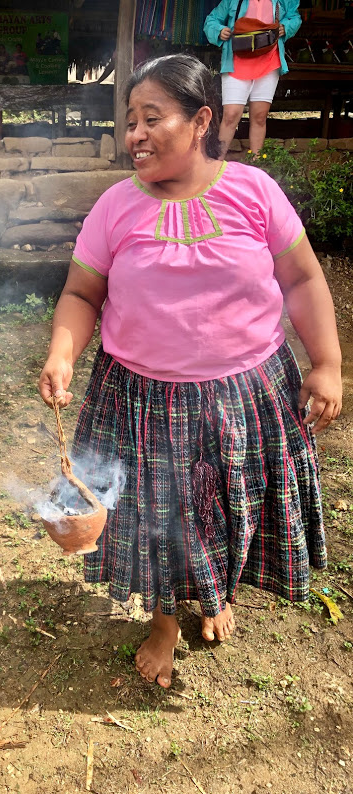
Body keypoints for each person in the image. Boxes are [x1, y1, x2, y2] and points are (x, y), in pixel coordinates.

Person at [38, 54, 341, 689]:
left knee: (228, 505)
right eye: (130, 121)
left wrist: (328, 363)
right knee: (160, 517)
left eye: (152, 118)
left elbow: (303, 279)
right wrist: (62, 353)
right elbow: (82, 294)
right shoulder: (115, 207)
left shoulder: (255, 192)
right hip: (143, 399)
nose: (135, 135)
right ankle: (164, 624)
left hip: (246, 395)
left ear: (202, 121)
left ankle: (215, 592)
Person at [204, 0, 301, 156]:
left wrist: (286, 27)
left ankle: (257, 162)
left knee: (260, 116)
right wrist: (219, 30)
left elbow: (294, 17)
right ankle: (216, 163)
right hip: (236, 62)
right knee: (230, 116)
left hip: (269, 62)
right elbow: (212, 20)